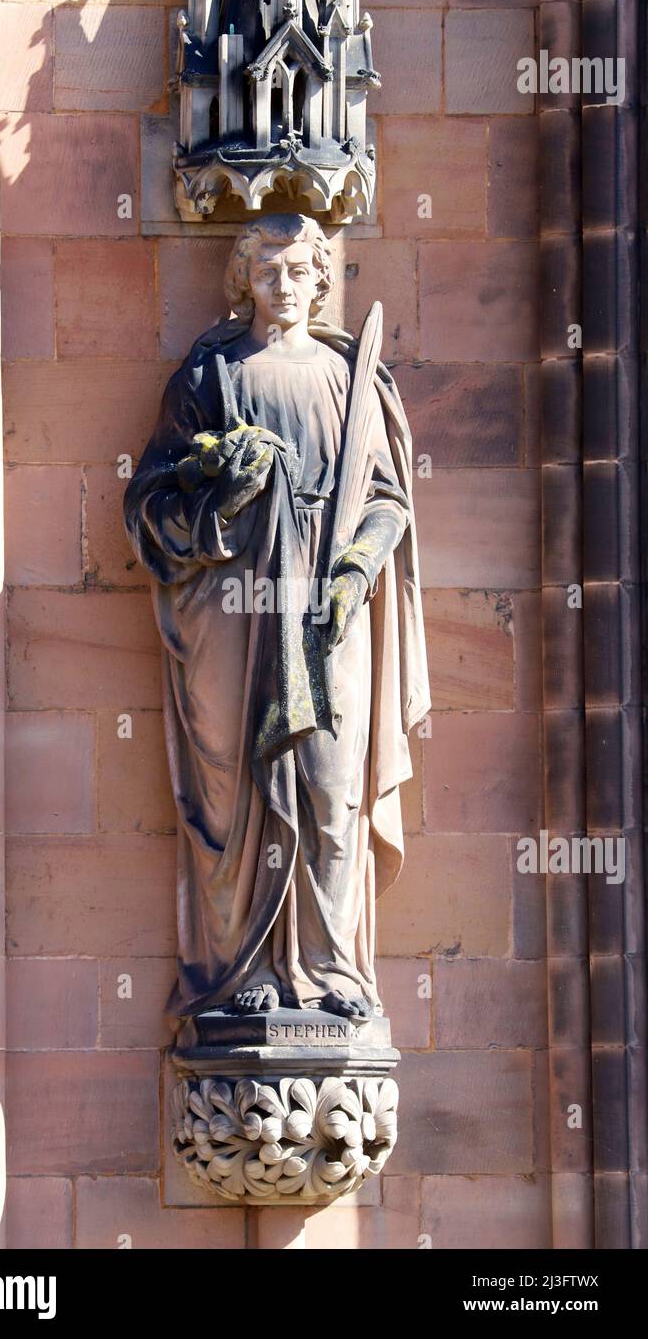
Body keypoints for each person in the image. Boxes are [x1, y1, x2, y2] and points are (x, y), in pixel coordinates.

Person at [124, 214, 429, 1027]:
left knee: (332, 790)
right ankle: (244, 965)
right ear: (243, 278)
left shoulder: (347, 374)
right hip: (234, 604)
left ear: (320, 278)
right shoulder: (210, 373)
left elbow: (388, 503)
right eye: (267, 273)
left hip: (330, 606)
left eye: (298, 271)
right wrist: (223, 488)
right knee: (235, 788)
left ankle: (332, 969)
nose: (283, 287)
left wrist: (356, 571)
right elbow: (151, 501)